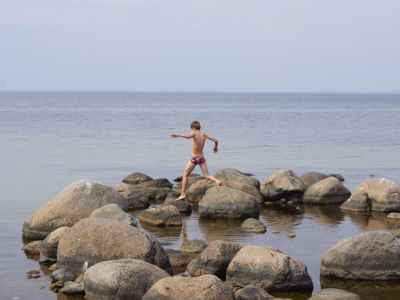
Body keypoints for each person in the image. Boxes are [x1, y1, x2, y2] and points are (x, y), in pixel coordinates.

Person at [171, 120, 221, 200]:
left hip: (194, 158)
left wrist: (178, 135)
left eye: (191, 129)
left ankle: (183, 194)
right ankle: (217, 181)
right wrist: (215, 147)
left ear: (193, 128)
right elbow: (216, 140)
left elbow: (188, 136)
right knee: (207, 175)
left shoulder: (194, 133)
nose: (191, 130)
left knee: (185, 175)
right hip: (201, 158)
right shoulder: (204, 134)